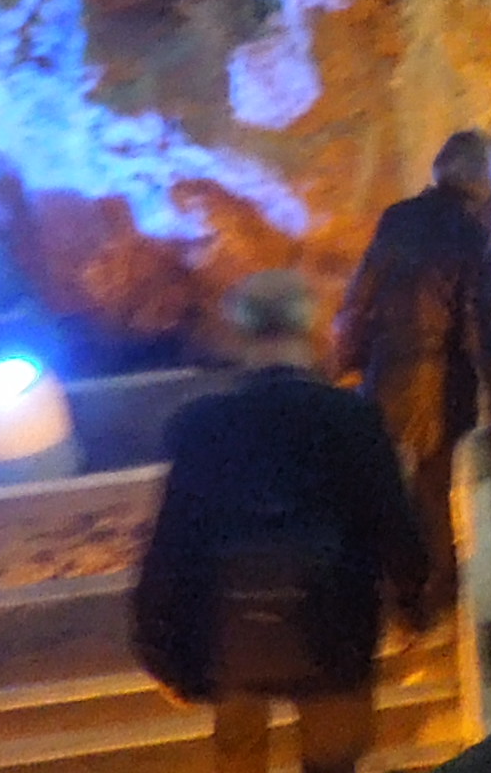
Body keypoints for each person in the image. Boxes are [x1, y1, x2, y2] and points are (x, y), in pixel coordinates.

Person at [133, 273, 432, 773]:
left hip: (233, 634)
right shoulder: (352, 420)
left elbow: (172, 545)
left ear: (239, 335)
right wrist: (412, 605)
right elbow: (393, 523)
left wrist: (160, 651)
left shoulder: (203, 426)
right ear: (312, 331)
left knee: (240, 758)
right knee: (334, 759)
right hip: (338, 630)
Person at [332, 136, 491, 587]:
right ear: (478, 180)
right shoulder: (471, 231)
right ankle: (436, 592)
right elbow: (475, 317)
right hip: (442, 378)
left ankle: (383, 587)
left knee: (381, 484)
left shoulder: (398, 217)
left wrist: (348, 358)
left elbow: (360, 295)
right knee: (434, 489)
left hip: (387, 370)